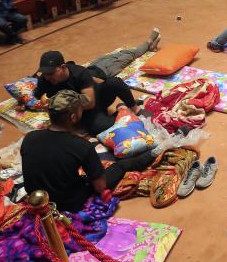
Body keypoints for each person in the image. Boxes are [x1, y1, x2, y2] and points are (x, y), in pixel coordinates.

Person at [21, 91, 159, 213]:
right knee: (119, 166)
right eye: (81, 110)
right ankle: (156, 151)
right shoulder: (81, 145)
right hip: (67, 204)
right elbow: (100, 186)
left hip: (36, 200)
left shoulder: (30, 137)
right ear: (73, 117)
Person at [34, 29, 160, 135]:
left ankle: (135, 108)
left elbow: (90, 103)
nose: (47, 77)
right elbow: (37, 95)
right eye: (44, 73)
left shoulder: (79, 73)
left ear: (63, 67)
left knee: (116, 76)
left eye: (51, 73)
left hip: (94, 101)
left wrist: (66, 105)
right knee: (99, 128)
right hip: (80, 112)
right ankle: (121, 110)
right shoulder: (44, 80)